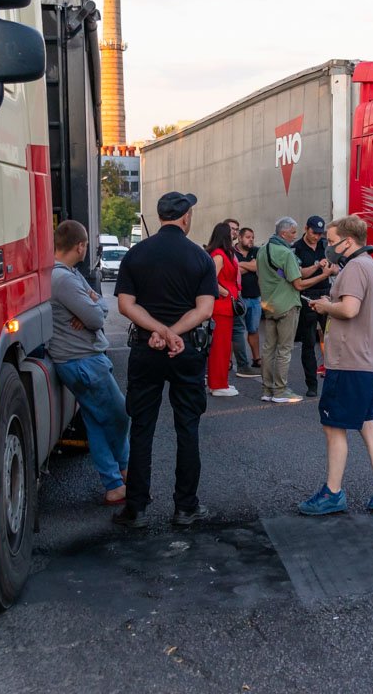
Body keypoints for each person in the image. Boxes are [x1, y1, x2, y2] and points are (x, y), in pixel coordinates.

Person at [115, 192, 218, 528]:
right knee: (187, 427)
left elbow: (126, 305)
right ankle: (186, 507)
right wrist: (174, 333)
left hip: (146, 348)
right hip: (187, 350)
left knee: (142, 427)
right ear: (185, 216)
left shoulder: (136, 254)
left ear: (160, 216)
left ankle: (136, 508)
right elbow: (204, 309)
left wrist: (159, 331)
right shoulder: (199, 257)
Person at [300, 215, 373, 515]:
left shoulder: (354, 267)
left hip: (349, 360)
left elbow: (350, 309)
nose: (328, 246)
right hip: (367, 360)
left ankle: (333, 492)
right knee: (366, 423)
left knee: (333, 425)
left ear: (348, 241)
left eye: (331, 241)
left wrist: (325, 305)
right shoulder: (369, 266)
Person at [47, 220, 131, 506]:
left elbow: (100, 305)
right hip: (84, 361)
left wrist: (93, 305)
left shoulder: (66, 274)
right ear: (80, 246)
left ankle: (114, 484)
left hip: (74, 360)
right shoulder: (66, 280)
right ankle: (123, 471)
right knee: (120, 416)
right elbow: (97, 317)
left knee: (96, 421)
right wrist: (92, 307)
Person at [257, 216, 335, 404]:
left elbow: (273, 275)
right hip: (288, 304)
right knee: (284, 349)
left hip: (269, 304)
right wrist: (323, 274)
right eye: (292, 232)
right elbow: (299, 283)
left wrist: (318, 267)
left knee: (268, 349)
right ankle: (280, 390)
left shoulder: (263, 250)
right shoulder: (287, 253)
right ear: (283, 233)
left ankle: (268, 389)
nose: (294, 236)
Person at [292, 215, 330, 397]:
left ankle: (332, 380)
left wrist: (333, 268)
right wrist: (317, 266)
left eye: (320, 234)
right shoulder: (297, 248)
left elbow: (335, 266)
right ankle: (311, 385)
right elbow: (299, 274)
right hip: (307, 298)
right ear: (306, 228)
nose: (317, 237)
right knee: (308, 343)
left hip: (325, 295)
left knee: (331, 340)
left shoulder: (324, 245)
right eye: (314, 233)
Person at [206, 221, 240, 397]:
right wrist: (226, 292)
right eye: (231, 231)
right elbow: (210, 279)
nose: (235, 233)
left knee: (224, 345)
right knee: (220, 346)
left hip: (226, 305)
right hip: (222, 305)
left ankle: (221, 382)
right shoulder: (219, 255)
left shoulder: (226, 253)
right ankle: (217, 384)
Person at [223, 218, 257, 378]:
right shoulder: (222, 249)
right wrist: (242, 266)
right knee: (233, 331)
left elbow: (256, 267)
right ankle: (240, 365)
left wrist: (239, 266)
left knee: (244, 330)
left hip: (240, 295)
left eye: (236, 229)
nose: (234, 232)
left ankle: (240, 365)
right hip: (228, 297)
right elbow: (227, 272)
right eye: (231, 229)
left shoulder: (231, 250)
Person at [234, 226, 263, 376]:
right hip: (239, 298)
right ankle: (239, 363)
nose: (251, 240)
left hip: (255, 297)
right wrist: (250, 266)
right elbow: (233, 270)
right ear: (239, 238)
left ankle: (256, 358)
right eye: (247, 237)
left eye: (252, 237)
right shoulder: (232, 252)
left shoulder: (256, 251)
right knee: (237, 331)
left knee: (254, 329)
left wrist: (242, 265)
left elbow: (258, 266)